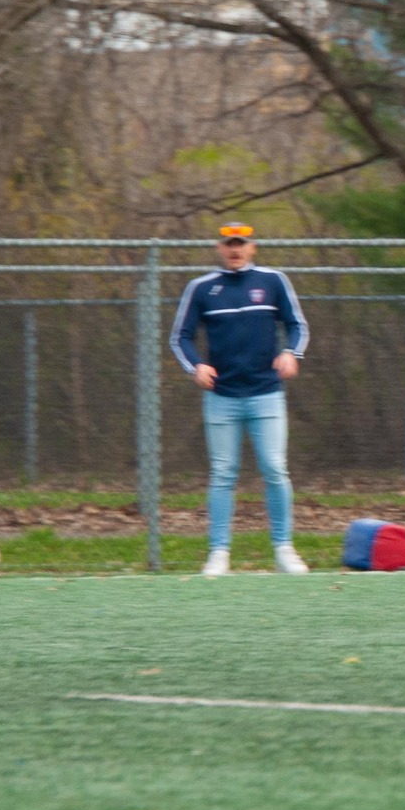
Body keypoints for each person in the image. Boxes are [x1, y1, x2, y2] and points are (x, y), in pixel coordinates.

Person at [169, 222, 311, 577]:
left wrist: (291, 353)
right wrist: (195, 366)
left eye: (241, 244)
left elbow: (297, 325)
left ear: (253, 247)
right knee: (223, 474)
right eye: (229, 244)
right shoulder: (202, 288)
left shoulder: (273, 281)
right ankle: (219, 552)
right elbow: (180, 337)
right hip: (222, 397)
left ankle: (283, 548)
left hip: (266, 394)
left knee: (275, 469)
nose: (235, 250)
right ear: (219, 247)